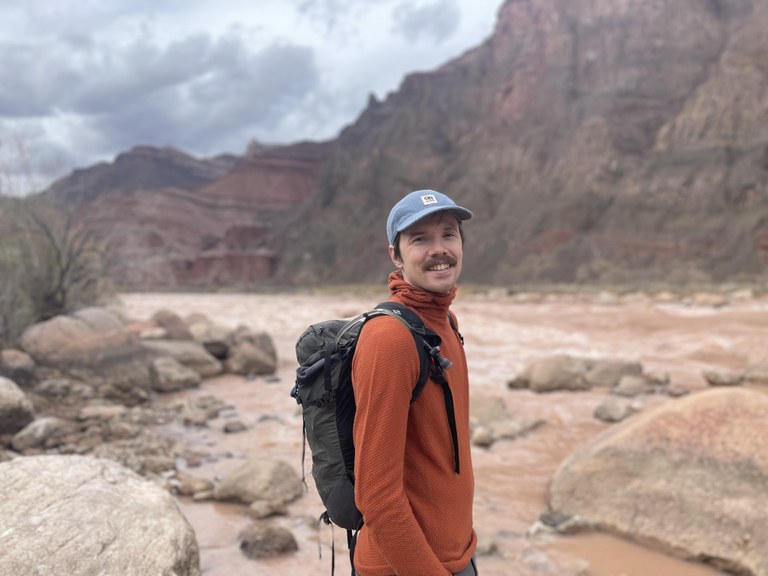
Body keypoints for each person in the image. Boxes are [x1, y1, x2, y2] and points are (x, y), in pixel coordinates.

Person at [351, 189, 478, 576]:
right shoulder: (389, 339)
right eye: (420, 239)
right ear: (396, 254)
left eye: (448, 234)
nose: (439, 249)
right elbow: (376, 495)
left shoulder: (446, 323)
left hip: (454, 555)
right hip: (403, 567)